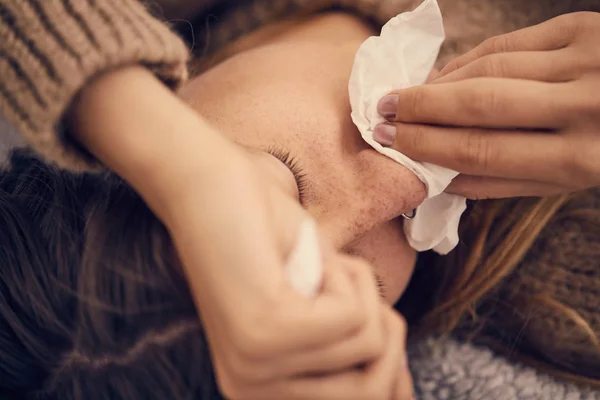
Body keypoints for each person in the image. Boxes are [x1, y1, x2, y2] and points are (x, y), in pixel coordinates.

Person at [0, 0, 598, 398]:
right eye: (370, 285)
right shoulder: (563, 282)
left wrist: (178, 164)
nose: (402, 186)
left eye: (286, 177)